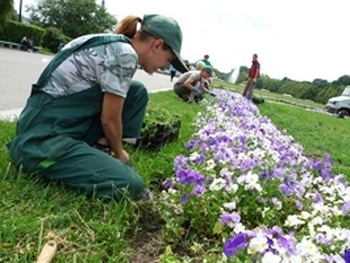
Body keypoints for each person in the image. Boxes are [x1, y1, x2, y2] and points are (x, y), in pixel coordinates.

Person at [7, 14, 187, 201]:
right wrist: (120, 153)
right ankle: (46, 156)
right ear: (156, 45)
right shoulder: (124, 54)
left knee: (136, 91)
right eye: (169, 60)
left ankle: (99, 148)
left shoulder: (118, 45)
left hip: (62, 121)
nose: (166, 67)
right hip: (42, 137)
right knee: (131, 185)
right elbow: (109, 120)